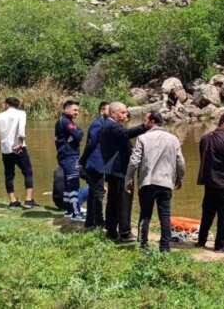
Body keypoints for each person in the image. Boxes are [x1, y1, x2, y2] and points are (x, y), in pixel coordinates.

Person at [79, 102, 148, 242]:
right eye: (122, 113)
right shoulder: (111, 125)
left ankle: (111, 230)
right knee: (123, 201)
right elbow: (126, 133)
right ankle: (124, 232)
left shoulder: (109, 125)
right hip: (119, 171)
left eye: (126, 112)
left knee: (113, 201)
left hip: (115, 170)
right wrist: (145, 126)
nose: (125, 115)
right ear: (112, 113)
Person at [125, 112, 185, 252]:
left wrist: (128, 178)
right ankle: (164, 247)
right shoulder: (173, 139)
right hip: (165, 182)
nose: (144, 123)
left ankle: (144, 245)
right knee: (165, 215)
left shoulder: (143, 138)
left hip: (147, 182)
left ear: (152, 122)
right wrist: (180, 177)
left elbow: (134, 161)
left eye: (145, 120)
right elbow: (180, 161)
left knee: (145, 214)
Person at [196, 113, 224, 253]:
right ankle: (220, 245)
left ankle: (201, 241)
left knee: (207, 214)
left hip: (209, 183)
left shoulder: (204, 138)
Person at [0, 97, 38, 209]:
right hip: (19, 148)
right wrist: (20, 143)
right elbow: (21, 129)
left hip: (5, 150)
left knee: (9, 175)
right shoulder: (21, 113)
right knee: (27, 172)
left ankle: (13, 201)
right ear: (17, 105)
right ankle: (28, 200)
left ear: (7, 104)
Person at [54, 100, 85, 222]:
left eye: (78, 110)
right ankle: (76, 214)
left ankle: (68, 210)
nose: (77, 112)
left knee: (68, 185)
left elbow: (79, 133)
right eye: (75, 110)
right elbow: (79, 135)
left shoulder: (65, 121)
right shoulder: (65, 121)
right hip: (69, 157)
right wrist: (77, 132)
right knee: (73, 184)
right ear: (66, 109)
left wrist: (78, 132)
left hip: (66, 156)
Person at [80, 101, 109, 229]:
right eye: (110, 110)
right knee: (98, 193)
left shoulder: (102, 123)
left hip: (95, 163)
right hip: (96, 164)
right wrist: (82, 161)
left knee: (93, 191)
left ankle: (90, 220)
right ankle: (98, 221)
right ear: (102, 111)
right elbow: (91, 144)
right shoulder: (98, 124)